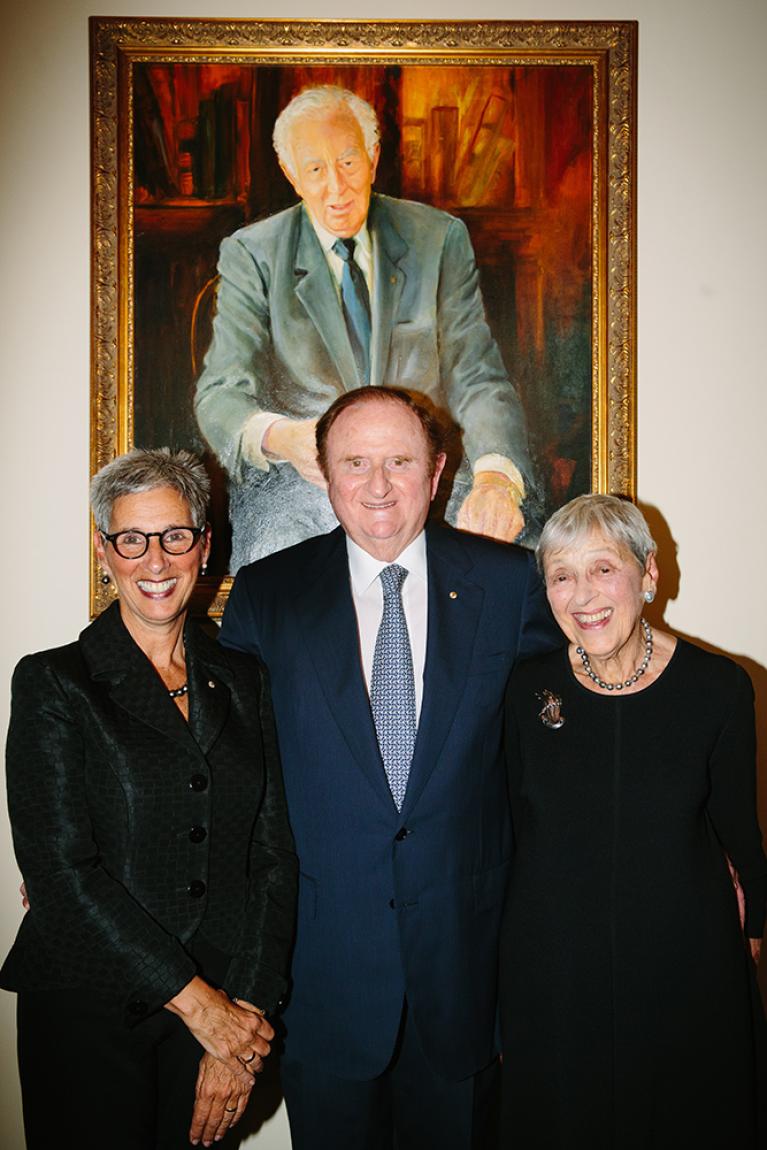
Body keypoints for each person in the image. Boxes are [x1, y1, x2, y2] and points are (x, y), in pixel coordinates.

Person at [219, 386, 562, 1149]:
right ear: (325, 473)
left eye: (400, 462)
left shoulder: (511, 585)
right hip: (324, 984)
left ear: (438, 473)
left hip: (466, 981)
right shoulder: (267, 596)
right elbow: (220, 758)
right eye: (355, 463)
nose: (378, 487)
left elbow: (582, 722)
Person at [1, 448, 297, 1150]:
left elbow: (273, 855)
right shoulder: (54, 683)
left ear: (203, 546)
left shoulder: (245, 679)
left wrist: (242, 1023)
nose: (154, 561)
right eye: (132, 539)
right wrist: (203, 1010)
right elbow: (59, 873)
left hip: (222, 1007)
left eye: (174, 537)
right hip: (88, 1012)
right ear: (105, 551)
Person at [499, 493, 767, 1148]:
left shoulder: (719, 688)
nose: (581, 594)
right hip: (554, 974)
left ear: (647, 574)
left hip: (685, 971)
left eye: (602, 568)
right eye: (561, 575)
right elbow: (505, 832)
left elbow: (740, 832)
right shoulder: (522, 688)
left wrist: (752, 931)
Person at [195, 84, 533, 571]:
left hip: (424, 480)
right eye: (315, 169)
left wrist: (496, 479)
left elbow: (477, 375)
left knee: (516, 561)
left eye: (349, 162)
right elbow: (220, 393)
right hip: (303, 487)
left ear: (373, 157)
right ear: (292, 175)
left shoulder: (438, 239)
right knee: (282, 577)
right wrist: (283, 437)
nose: (337, 187)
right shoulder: (253, 253)